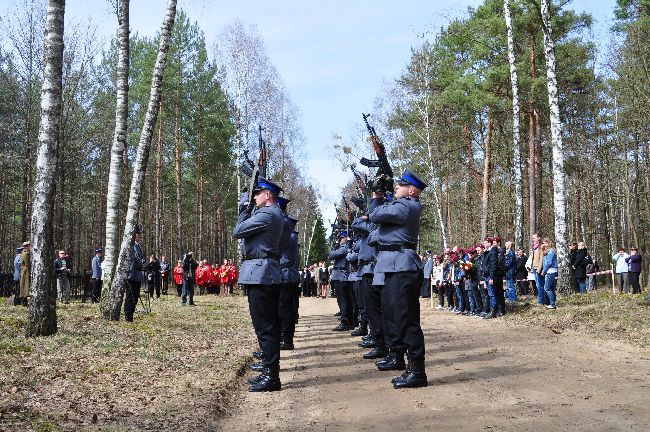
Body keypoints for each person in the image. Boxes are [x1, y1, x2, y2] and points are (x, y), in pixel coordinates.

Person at [369, 168, 428, 389]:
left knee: (407, 320)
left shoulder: (406, 206)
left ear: (411, 190)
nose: (396, 187)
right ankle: (408, 365)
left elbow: (375, 216)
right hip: (394, 266)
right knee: (394, 316)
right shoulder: (400, 205)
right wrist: (377, 197)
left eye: (400, 185)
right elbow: (375, 232)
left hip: (403, 265)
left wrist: (377, 198)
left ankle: (417, 371)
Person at [233, 176, 285, 392]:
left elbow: (238, 231)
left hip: (261, 273)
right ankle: (268, 370)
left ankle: (271, 375)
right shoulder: (272, 214)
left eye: (257, 194)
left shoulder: (267, 214)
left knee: (265, 327)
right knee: (266, 326)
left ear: (267, 195)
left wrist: (243, 208)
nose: (254, 197)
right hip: (262, 272)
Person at [329, 232, 353, 331]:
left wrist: (336, 246)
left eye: (342, 238)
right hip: (340, 276)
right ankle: (348, 321)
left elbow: (331, 255)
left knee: (343, 300)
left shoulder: (344, 248)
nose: (340, 239)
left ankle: (345, 321)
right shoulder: (342, 247)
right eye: (340, 238)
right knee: (343, 300)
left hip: (341, 276)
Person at [124, 227, 145, 322]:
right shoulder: (132, 246)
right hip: (132, 275)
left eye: (140, 234)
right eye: (138, 234)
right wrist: (129, 276)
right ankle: (128, 315)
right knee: (130, 296)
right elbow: (131, 262)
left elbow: (140, 260)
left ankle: (131, 313)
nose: (139, 236)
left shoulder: (138, 246)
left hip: (137, 275)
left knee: (135, 296)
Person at [540, 238, 558, 309]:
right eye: (543, 243)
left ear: (549, 243)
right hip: (550, 271)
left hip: (550, 271)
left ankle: (552, 304)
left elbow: (548, 263)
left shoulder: (551, 252)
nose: (544, 244)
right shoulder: (549, 251)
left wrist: (544, 271)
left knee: (547, 288)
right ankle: (553, 302)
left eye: (545, 243)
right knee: (550, 288)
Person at [19, 242, 31, 306]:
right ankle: (24, 302)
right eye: (29, 246)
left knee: (24, 285)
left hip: (24, 271)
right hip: (26, 271)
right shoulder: (26, 254)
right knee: (25, 286)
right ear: (27, 246)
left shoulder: (24, 253)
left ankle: (24, 301)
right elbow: (27, 264)